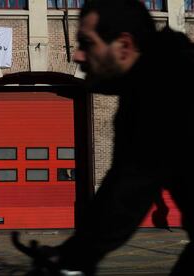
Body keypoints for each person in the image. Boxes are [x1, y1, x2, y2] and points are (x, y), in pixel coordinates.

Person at [13, 0, 194, 275]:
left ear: (124, 46)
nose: (78, 56)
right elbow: (120, 183)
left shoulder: (169, 85)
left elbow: (131, 186)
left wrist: (74, 259)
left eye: (87, 43)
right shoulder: (156, 77)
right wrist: (74, 251)